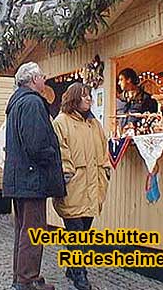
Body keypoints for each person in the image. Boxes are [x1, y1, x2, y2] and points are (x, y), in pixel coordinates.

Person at [3, 62, 65, 290]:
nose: (45, 79)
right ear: (33, 79)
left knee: (23, 229)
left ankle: (22, 276)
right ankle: (26, 280)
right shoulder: (32, 103)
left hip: (20, 178)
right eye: (42, 76)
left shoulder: (18, 102)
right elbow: (37, 144)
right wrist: (53, 157)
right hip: (32, 178)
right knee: (34, 231)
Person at [52, 83, 111, 290]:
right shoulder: (61, 122)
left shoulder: (94, 124)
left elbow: (104, 149)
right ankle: (80, 274)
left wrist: (105, 170)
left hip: (93, 186)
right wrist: (68, 174)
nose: (88, 99)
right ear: (74, 98)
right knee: (75, 232)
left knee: (84, 231)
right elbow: (60, 151)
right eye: (84, 96)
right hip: (74, 186)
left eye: (89, 96)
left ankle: (72, 267)